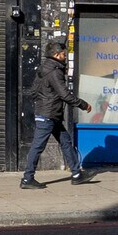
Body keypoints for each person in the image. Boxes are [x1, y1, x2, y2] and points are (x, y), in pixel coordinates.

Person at [21, 37, 93, 188]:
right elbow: (64, 94)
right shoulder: (54, 71)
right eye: (64, 54)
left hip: (50, 114)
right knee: (38, 146)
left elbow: (34, 91)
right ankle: (27, 179)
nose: (65, 56)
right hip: (47, 115)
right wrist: (83, 104)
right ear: (56, 55)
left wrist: (44, 101)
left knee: (66, 141)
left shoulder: (45, 68)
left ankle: (76, 174)